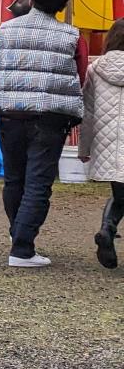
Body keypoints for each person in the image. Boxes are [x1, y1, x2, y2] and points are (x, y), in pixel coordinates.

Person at [0, 0, 87, 267]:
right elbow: (80, 74)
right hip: (50, 115)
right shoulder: (72, 35)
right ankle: (22, 248)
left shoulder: (5, 30)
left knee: (14, 178)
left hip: (11, 111)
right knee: (39, 181)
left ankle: (17, 233)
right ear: (63, 6)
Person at [79, 20, 124, 269]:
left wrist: (84, 148)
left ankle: (107, 229)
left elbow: (87, 111)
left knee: (120, 193)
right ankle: (107, 230)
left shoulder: (96, 69)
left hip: (107, 140)